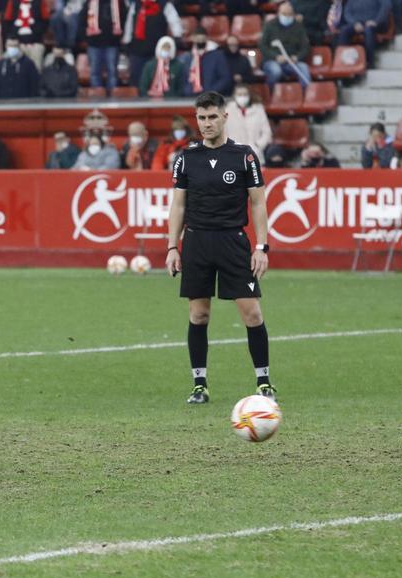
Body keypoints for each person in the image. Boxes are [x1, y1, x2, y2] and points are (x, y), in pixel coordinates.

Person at [165, 90, 274, 406]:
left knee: (251, 313)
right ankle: (199, 384)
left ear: (225, 117)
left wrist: (262, 247)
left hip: (232, 241)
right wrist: (173, 247)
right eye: (201, 117)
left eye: (212, 116)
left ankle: (264, 381)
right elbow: (178, 206)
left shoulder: (244, 156)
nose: (207, 123)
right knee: (198, 314)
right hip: (196, 241)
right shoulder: (186, 157)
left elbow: (258, 203)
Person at [260, 2, 311, 88]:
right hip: (272, 60)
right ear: (278, 13)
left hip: (291, 61)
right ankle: (269, 93)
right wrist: (276, 56)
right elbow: (262, 45)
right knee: (276, 71)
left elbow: (306, 47)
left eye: (289, 14)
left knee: (303, 68)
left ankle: (307, 95)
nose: (287, 16)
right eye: (284, 14)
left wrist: (297, 57)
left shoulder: (298, 27)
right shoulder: (269, 25)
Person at [81, 0, 127, 92]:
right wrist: (86, 38)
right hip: (94, 44)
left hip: (112, 44)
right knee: (94, 73)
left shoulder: (119, 2)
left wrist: (119, 37)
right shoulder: (89, 2)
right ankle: (96, 100)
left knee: (112, 73)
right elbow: (82, 20)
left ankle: (113, 101)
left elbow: (124, 19)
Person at [0, 0, 49, 68]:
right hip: (17, 42)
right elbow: (7, 23)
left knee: (36, 60)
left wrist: (34, 38)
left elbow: (45, 22)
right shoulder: (13, 2)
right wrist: (15, 39)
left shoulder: (40, 2)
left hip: (35, 42)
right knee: (11, 60)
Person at [223, 84, 272, 156]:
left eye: (245, 94)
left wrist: (258, 145)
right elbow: (223, 133)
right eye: (239, 94)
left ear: (249, 95)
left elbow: (267, 132)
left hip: (255, 153)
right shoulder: (227, 110)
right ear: (234, 96)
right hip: (233, 154)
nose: (242, 97)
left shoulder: (259, 109)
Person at [177, 28, 216, 97]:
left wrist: (211, 90)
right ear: (193, 39)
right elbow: (181, 77)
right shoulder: (185, 57)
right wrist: (185, 90)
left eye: (202, 39)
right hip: (188, 95)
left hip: (208, 96)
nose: (200, 42)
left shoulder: (214, 55)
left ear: (206, 39)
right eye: (198, 39)